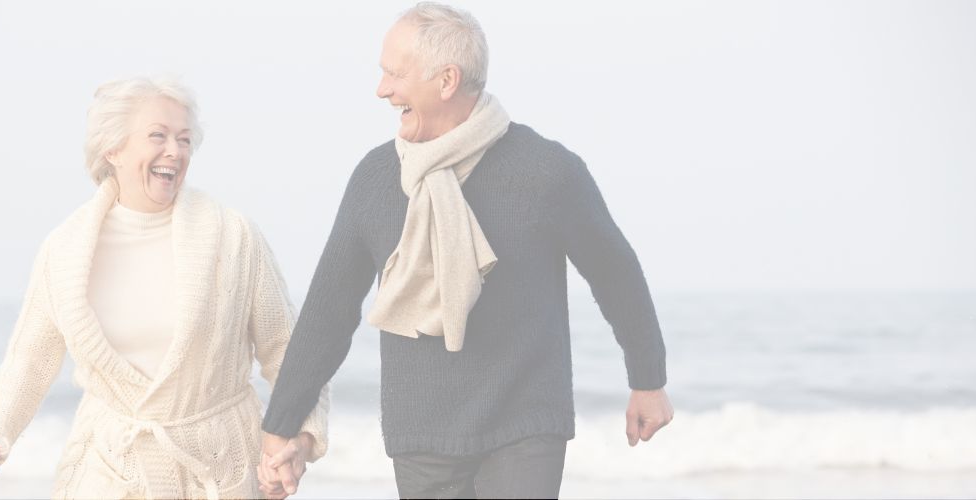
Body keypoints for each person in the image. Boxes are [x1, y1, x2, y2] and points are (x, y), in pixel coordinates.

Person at [258, 3, 672, 498]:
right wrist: (281, 425)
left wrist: (647, 379)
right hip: (421, 435)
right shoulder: (375, 180)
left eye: (395, 74)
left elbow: (614, 272)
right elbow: (329, 311)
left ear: (447, 80)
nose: (382, 89)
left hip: (524, 426)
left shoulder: (546, 172)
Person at [0, 77, 329, 499]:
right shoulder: (65, 250)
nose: (175, 151)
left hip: (219, 472)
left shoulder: (234, 237)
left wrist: (299, 438)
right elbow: (31, 359)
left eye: (184, 140)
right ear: (112, 149)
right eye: (158, 136)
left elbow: (287, 350)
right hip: (107, 470)